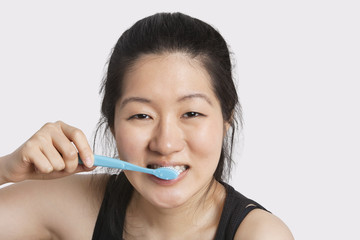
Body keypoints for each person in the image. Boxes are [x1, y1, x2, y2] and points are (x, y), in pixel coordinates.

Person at [0, 12, 294, 239]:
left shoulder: (259, 234)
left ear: (226, 118)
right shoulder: (73, 206)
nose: (165, 143)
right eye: (141, 116)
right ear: (113, 125)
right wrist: (6, 169)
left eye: (191, 113)